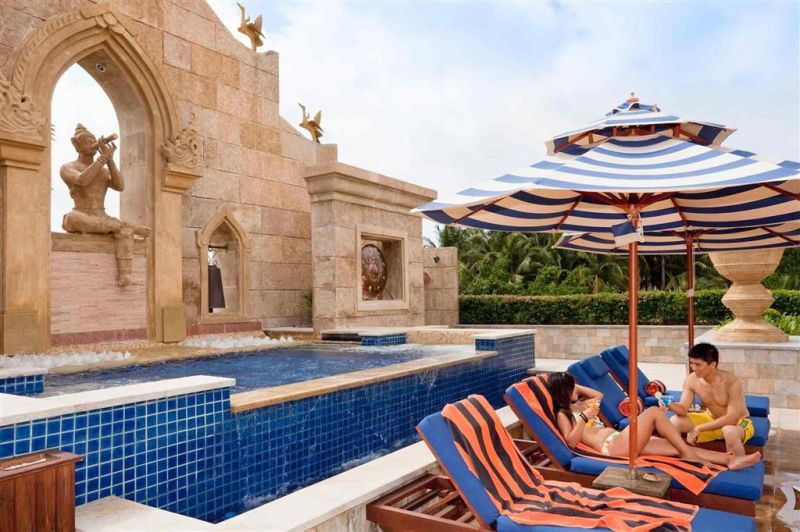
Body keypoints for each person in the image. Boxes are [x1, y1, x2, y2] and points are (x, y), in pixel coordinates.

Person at [548, 372, 760, 470]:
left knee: (675, 445)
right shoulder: (563, 414)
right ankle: (689, 456)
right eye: (572, 387)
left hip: (619, 438)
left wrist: (573, 387)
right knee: (653, 412)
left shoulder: (580, 405)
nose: (576, 389)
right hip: (611, 447)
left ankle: (729, 460)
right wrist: (584, 418)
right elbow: (571, 442)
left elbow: (599, 395)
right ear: (563, 391)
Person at [59, 123, 150, 286]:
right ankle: (128, 226)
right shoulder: (68, 167)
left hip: (101, 216)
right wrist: (102, 159)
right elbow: (82, 180)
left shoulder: (103, 170)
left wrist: (110, 161)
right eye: (87, 142)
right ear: (77, 145)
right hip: (79, 214)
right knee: (74, 218)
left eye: (92, 141)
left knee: (124, 231)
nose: (91, 144)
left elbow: (120, 186)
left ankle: (125, 275)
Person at [668, 342, 754, 456]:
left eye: (698, 365)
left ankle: (739, 464)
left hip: (738, 422)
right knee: (674, 421)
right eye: (691, 363)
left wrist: (699, 428)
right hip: (710, 419)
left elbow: (732, 419)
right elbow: (683, 409)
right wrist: (669, 403)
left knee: (729, 432)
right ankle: (680, 457)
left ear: (713, 365)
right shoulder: (691, 380)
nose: (693, 368)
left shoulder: (731, 382)